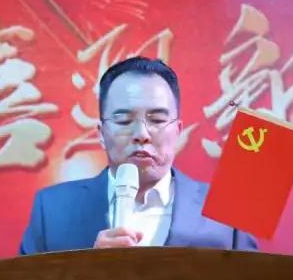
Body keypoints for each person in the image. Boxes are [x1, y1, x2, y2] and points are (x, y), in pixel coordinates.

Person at [18, 56, 258, 254]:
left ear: (177, 131)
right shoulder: (52, 209)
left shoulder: (227, 210)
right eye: (124, 120)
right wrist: (87, 271)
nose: (142, 134)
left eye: (157, 120)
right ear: (101, 133)